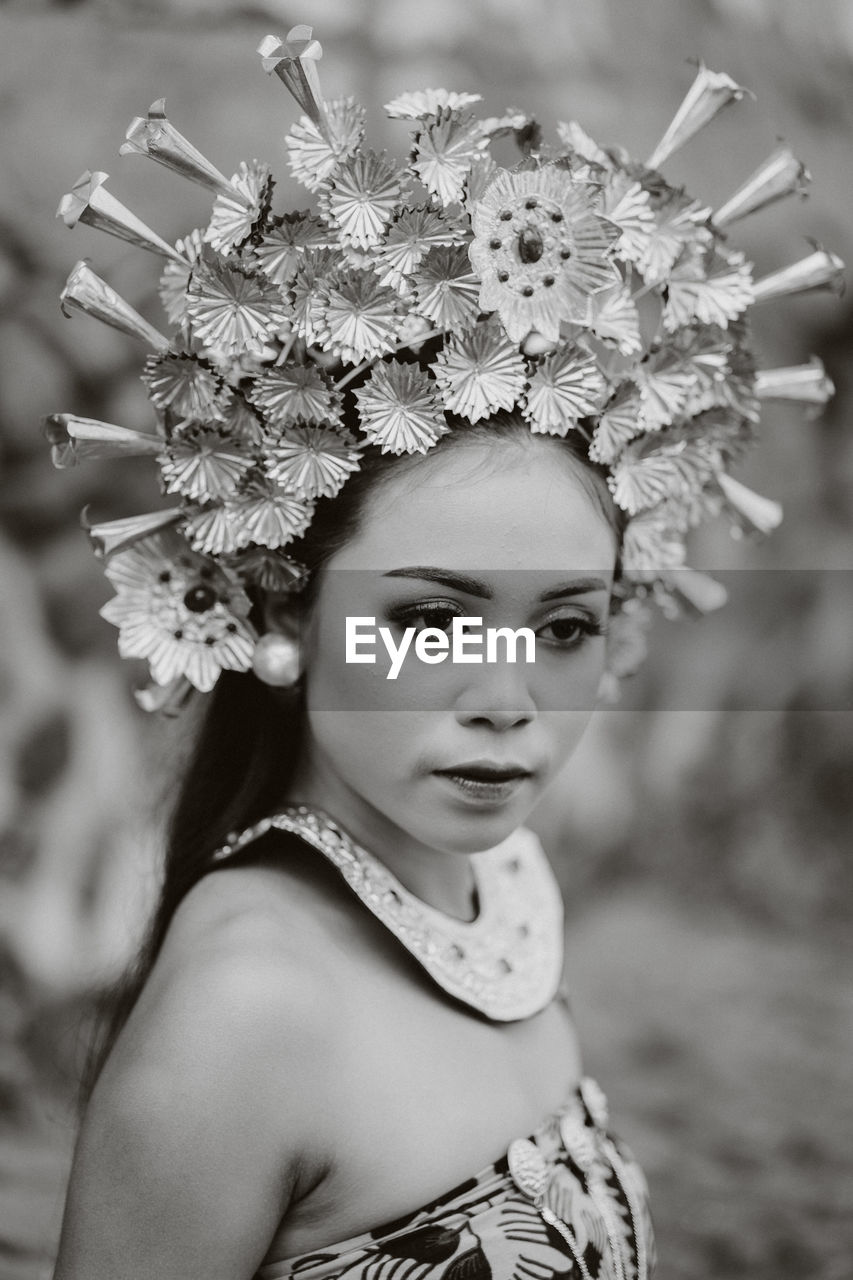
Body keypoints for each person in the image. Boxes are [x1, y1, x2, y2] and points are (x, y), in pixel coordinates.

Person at [47, 24, 840, 1280]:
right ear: (287, 616)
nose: (507, 697)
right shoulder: (248, 1008)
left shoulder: (500, 883)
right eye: (427, 620)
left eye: (565, 624)